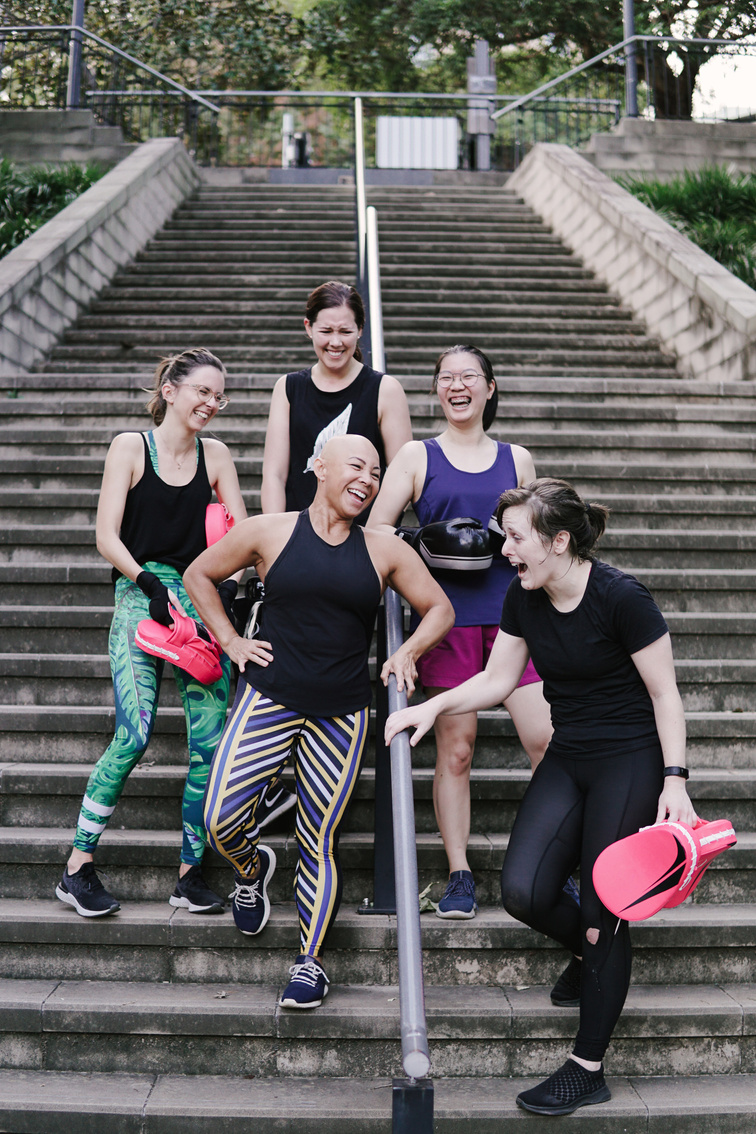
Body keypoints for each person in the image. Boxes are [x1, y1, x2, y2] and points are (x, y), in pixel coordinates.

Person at [385, 478, 696, 1116]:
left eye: (517, 538)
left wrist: (675, 779)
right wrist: (431, 707)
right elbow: (499, 679)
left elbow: (666, 695)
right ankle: (589, 948)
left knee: (605, 906)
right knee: (523, 891)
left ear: (558, 542)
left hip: (630, 759)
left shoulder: (620, 597)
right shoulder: (524, 598)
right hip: (569, 752)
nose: (505, 550)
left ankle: (588, 1066)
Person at [183, 434, 454, 1009]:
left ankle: (310, 963)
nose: (369, 479)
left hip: (343, 712)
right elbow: (198, 575)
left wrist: (406, 653)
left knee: (318, 838)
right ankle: (253, 869)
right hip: (270, 696)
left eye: (377, 472)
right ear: (319, 467)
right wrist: (230, 640)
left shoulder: (384, 548)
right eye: (357, 465)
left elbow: (441, 610)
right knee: (219, 817)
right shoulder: (270, 531)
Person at [56, 348, 246, 919]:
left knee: (209, 747)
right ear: (171, 389)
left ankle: (190, 875)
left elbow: (240, 536)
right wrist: (147, 583)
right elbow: (106, 535)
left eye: (220, 395)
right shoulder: (130, 447)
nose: (211, 403)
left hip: (202, 600)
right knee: (133, 733)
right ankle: (77, 867)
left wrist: (230, 587)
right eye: (202, 392)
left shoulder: (217, 457)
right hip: (141, 599)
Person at [367, 345, 552, 920]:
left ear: (489, 388)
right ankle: (459, 873)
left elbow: (539, 535)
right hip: (445, 620)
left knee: (545, 741)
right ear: (436, 391)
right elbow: (376, 531)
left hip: (515, 620)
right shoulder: (416, 458)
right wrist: (423, 543)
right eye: (446, 378)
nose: (457, 385)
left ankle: (555, 859)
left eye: (469, 376)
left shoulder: (517, 459)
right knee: (457, 752)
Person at [256, 279, 413, 829]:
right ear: (308, 330)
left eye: (346, 331)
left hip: (357, 551)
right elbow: (276, 470)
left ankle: (320, 785)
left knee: (341, 657)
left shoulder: (383, 389)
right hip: (294, 545)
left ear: (360, 331)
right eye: (325, 330)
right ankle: (277, 776)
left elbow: (399, 472)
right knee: (277, 656)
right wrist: (268, 547)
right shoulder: (291, 387)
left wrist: (373, 544)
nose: (336, 341)